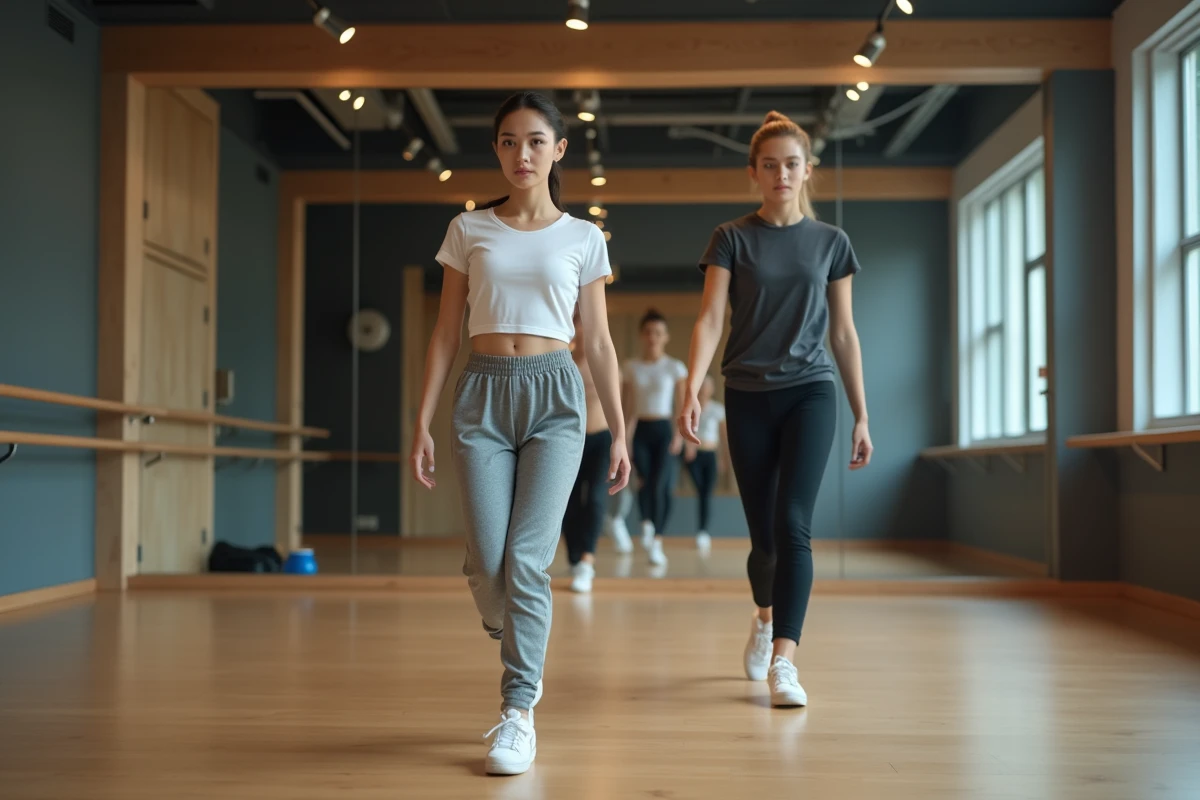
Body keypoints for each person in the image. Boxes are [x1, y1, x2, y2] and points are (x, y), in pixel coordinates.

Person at [411, 91, 631, 775]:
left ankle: (517, 712)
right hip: (481, 395)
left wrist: (619, 431)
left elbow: (597, 342)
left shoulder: (583, 238)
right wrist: (420, 419)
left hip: (556, 399)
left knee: (529, 559)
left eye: (536, 141)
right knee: (487, 561)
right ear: (497, 150)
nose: (521, 154)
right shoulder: (469, 229)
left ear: (559, 149)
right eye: (508, 142)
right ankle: (512, 624)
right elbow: (446, 331)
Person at [678, 111, 873, 709]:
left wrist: (862, 413)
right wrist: (693, 384)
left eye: (792, 164)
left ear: (807, 170)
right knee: (763, 538)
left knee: (794, 526)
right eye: (770, 165)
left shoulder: (832, 243)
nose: (781, 174)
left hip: (812, 392)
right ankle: (764, 617)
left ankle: (785, 660)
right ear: (754, 174)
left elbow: (843, 332)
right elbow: (711, 318)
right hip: (747, 394)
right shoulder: (731, 238)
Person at [622, 309, 688, 567]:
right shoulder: (631, 367)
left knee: (661, 484)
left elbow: (681, 405)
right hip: (640, 430)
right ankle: (647, 523)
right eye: (648, 332)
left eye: (658, 333)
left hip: (663, 431)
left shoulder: (674, 367)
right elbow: (627, 408)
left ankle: (657, 540)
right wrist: (624, 440)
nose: (653, 337)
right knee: (643, 482)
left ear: (666, 337)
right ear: (642, 335)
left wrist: (678, 436)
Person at [562, 307, 612, 593]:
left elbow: (616, 402)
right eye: (576, 322)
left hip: (601, 438)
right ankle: (574, 556)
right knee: (568, 502)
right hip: (569, 441)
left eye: (582, 321)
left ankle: (587, 561)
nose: (580, 328)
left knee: (594, 498)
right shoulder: (563, 361)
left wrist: (621, 439)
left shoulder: (604, 359)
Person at [681, 374, 727, 554]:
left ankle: (703, 532)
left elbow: (723, 436)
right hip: (694, 455)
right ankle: (702, 530)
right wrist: (688, 446)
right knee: (701, 490)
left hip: (711, 454)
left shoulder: (718, 409)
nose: (704, 389)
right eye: (702, 386)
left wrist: (723, 457)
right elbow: (682, 429)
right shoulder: (690, 408)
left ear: (712, 389)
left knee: (706, 493)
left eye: (707, 386)